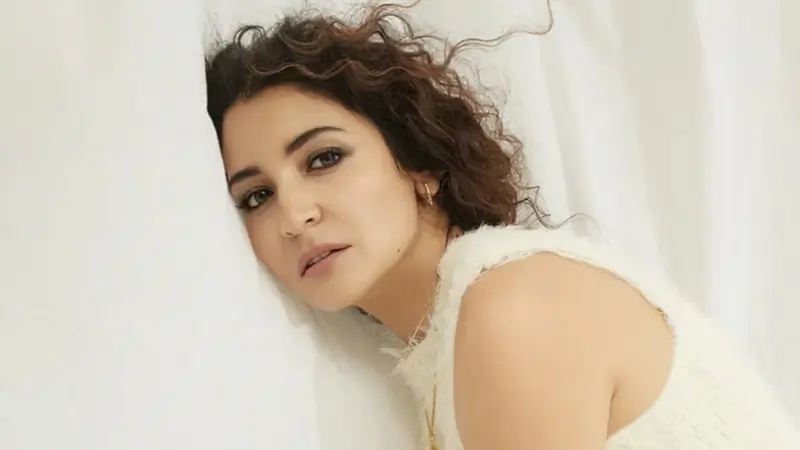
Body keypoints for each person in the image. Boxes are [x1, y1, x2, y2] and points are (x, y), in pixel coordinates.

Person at [204, 2, 800, 449]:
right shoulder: (446, 344)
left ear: (417, 163)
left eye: (324, 158)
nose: (294, 215)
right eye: (257, 196)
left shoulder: (513, 305)